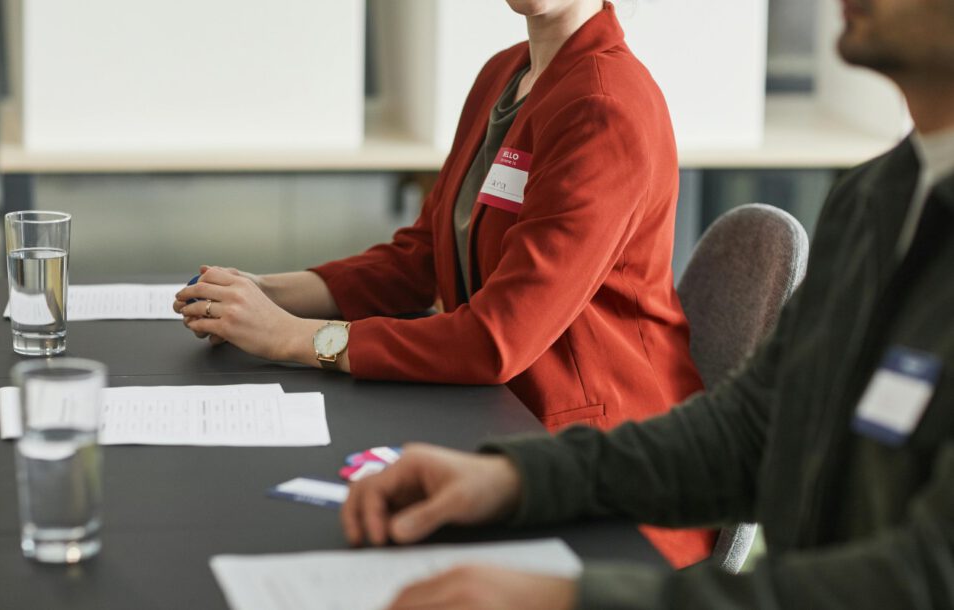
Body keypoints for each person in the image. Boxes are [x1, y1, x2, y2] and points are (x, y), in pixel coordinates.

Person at [339, 0, 954, 607]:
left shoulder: (607, 100)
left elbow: (921, 581)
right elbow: (751, 431)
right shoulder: (875, 198)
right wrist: (516, 478)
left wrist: (571, 599)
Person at [175, 1, 713, 567]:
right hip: (494, 422)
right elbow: (422, 257)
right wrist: (265, 294)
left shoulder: (606, 107)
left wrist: (293, 338)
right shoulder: (504, 75)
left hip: (602, 474)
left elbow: (495, 340)